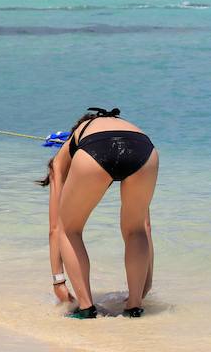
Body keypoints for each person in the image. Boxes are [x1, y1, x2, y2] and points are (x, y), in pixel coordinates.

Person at [40, 107, 158, 319]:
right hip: (144, 148)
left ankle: (86, 309)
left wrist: (58, 281)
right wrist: (145, 284)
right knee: (135, 229)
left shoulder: (67, 150)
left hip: (96, 149)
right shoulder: (124, 126)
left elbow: (55, 228)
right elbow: (146, 226)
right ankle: (134, 307)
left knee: (70, 230)